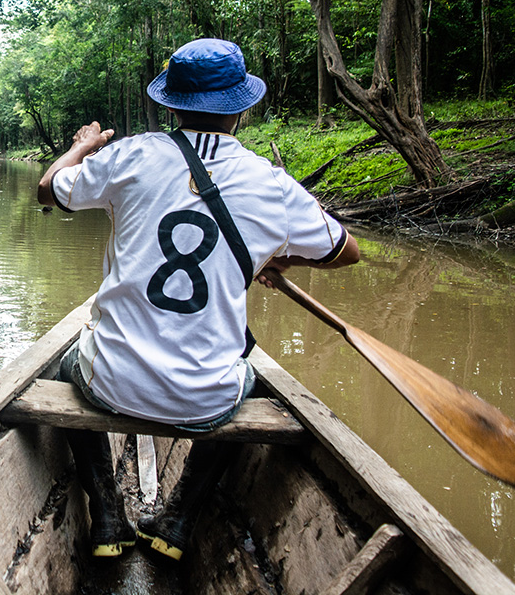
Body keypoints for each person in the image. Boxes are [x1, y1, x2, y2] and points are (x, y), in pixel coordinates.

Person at [37, 37, 360, 560]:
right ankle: (181, 519)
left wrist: (82, 148)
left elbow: (48, 190)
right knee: (254, 388)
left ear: (170, 104)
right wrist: (277, 260)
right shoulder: (270, 183)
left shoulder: (130, 155)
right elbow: (346, 251)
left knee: (60, 370)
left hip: (112, 382)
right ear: (242, 108)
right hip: (207, 399)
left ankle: (108, 515)